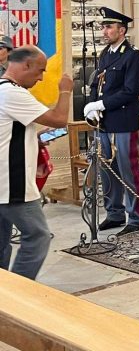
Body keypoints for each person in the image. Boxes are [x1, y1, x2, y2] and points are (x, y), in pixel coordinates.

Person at [0, 46, 72, 279]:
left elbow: (8, 132)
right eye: (40, 71)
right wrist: (65, 91)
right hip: (12, 183)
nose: (41, 78)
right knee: (38, 236)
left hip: (3, 182)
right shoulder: (12, 92)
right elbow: (59, 119)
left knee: (2, 244)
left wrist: (33, 138)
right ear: (26, 65)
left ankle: (5, 292)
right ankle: (20, 292)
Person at [84, 7, 139, 236]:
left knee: (128, 170)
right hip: (104, 122)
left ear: (122, 30)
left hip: (122, 121)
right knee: (107, 169)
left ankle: (137, 217)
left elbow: (130, 91)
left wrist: (102, 104)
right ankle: (114, 213)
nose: (104, 30)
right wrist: (92, 105)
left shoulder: (133, 55)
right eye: (103, 27)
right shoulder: (106, 54)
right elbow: (96, 83)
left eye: (109, 27)